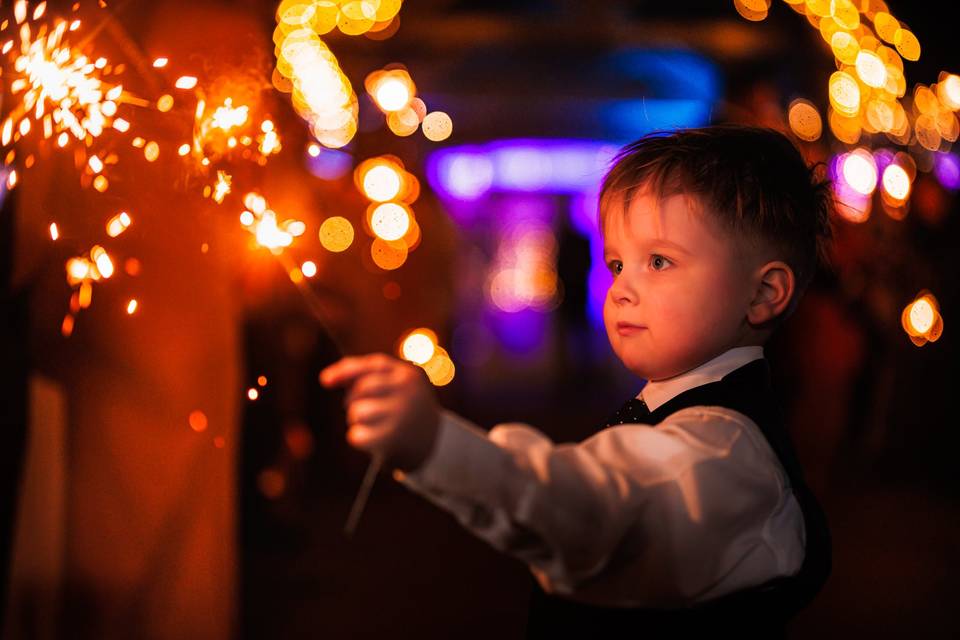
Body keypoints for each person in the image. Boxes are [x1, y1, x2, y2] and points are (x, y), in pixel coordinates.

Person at [320, 125, 834, 637]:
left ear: (765, 292)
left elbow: (595, 508)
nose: (621, 289)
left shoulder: (726, 450)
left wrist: (437, 446)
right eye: (617, 263)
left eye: (659, 261)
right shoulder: (693, 420)